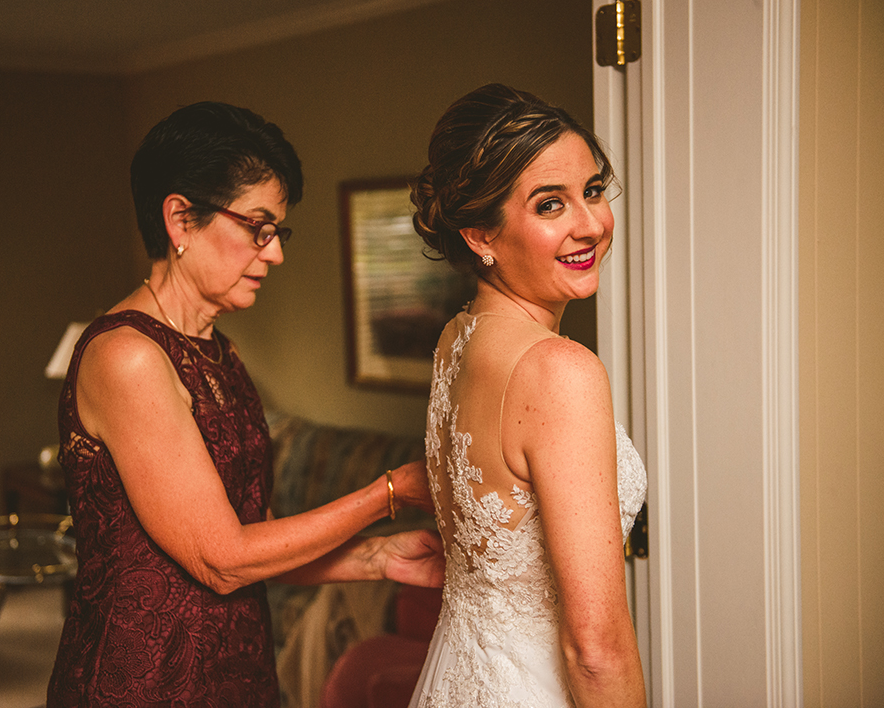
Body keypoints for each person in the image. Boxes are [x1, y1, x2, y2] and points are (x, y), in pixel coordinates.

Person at [46, 101, 442, 707]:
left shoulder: (219, 352)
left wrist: (373, 558)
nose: (276, 253)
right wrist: (386, 494)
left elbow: (243, 540)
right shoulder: (124, 357)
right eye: (257, 227)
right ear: (180, 220)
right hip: (148, 683)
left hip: (238, 671)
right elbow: (220, 559)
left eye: (278, 231)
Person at [406, 84, 648, 708]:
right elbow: (595, 648)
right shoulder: (560, 371)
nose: (591, 224)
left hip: (456, 677)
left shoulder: (456, 340)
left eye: (593, 192)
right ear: (480, 235)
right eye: (550, 205)